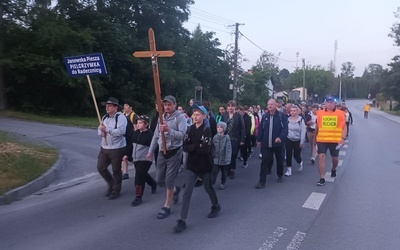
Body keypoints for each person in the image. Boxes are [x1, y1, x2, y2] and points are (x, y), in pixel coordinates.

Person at [173, 105, 221, 233]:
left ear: (204, 116)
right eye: (194, 113)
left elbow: (205, 149)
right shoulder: (189, 129)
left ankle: (216, 205)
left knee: (208, 187)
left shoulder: (207, 130)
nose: (195, 116)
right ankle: (182, 220)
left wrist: (193, 146)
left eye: (198, 114)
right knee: (187, 192)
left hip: (204, 165)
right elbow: (185, 146)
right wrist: (197, 145)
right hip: (192, 165)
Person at [147, 95, 187, 219]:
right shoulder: (161, 118)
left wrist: (168, 130)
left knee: (169, 179)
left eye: (169, 104)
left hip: (174, 152)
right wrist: (150, 151)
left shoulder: (180, 118)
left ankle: (167, 206)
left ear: (175, 105)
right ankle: (174, 190)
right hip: (161, 152)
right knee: (159, 180)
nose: (167, 107)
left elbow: (182, 136)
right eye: (165, 105)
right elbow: (155, 136)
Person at [97, 97, 127, 200]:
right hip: (104, 146)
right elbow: (99, 129)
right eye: (106, 106)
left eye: (109, 106)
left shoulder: (121, 117)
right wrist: (101, 132)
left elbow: (120, 132)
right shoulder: (105, 117)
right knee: (101, 167)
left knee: (116, 170)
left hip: (117, 148)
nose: (107, 107)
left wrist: (108, 130)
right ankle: (111, 183)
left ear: (116, 107)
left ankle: (116, 190)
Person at [256, 98, 288, 188]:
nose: (269, 106)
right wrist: (259, 140)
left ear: (276, 105)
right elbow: (261, 129)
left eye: (272, 104)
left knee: (279, 160)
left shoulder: (282, 116)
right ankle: (261, 182)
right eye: (268, 104)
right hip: (266, 144)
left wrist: (280, 137)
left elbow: (285, 129)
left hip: (278, 144)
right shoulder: (265, 116)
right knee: (264, 162)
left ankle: (280, 175)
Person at [314, 96, 347, 186]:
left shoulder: (340, 113)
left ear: (334, 103)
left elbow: (344, 127)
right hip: (322, 139)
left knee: (335, 159)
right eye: (327, 102)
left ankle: (333, 169)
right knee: (321, 157)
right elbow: (317, 126)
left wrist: (343, 139)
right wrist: (314, 139)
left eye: (331, 102)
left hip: (335, 140)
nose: (329, 104)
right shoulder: (320, 113)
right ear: (325, 103)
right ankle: (321, 178)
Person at [130, 115, 157, 206]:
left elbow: (155, 146)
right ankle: (153, 184)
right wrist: (127, 155)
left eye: (140, 123)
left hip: (146, 159)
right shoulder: (135, 133)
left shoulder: (150, 135)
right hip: (136, 158)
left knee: (139, 176)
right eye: (137, 123)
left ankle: (138, 196)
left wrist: (151, 153)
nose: (138, 124)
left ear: (146, 124)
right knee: (143, 174)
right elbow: (130, 145)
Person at [222, 100, 245, 179]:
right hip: (225, 138)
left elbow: (242, 128)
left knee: (233, 154)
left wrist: (242, 140)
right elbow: (221, 126)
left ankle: (232, 169)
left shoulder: (238, 116)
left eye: (232, 106)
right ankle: (227, 168)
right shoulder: (225, 115)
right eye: (229, 106)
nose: (230, 108)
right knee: (226, 154)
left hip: (234, 138)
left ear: (235, 107)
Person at [284, 105, 306, 176]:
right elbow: (285, 129)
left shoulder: (301, 120)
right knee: (288, 154)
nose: (292, 112)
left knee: (296, 155)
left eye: (294, 111)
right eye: (291, 111)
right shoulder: (288, 120)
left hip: (297, 140)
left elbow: (303, 131)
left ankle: (299, 162)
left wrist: (302, 141)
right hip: (289, 138)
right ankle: (289, 170)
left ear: (297, 112)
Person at [121, 100, 139, 180]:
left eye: (127, 105)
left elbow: (136, 129)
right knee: (123, 157)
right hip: (124, 139)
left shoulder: (133, 116)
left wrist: (135, 140)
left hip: (131, 139)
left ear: (131, 107)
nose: (125, 107)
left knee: (130, 157)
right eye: (124, 105)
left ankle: (139, 168)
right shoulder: (123, 115)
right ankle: (125, 173)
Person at [211, 122, 232, 190]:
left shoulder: (227, 137)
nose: (219, 129)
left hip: (224, 158)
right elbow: (212, 147)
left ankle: (223, 183)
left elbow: (229, 149)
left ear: (224, 129)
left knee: (224, 172)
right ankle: (212, 183)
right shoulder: (215, 137)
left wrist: (228, 158)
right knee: (214, 171)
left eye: (221, 127)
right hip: (216, 158)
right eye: (218, 127)